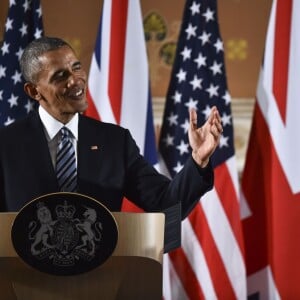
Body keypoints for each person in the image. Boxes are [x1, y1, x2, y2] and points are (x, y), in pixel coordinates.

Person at [0, 37, 222, 218]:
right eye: (61, 76)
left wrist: (198, 160)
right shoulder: (6, 145)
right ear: (33, 91)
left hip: (102, 271)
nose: (75, 80)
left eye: (76, 68)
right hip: (24, 272)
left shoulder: (114, 141)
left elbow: (165, 202)